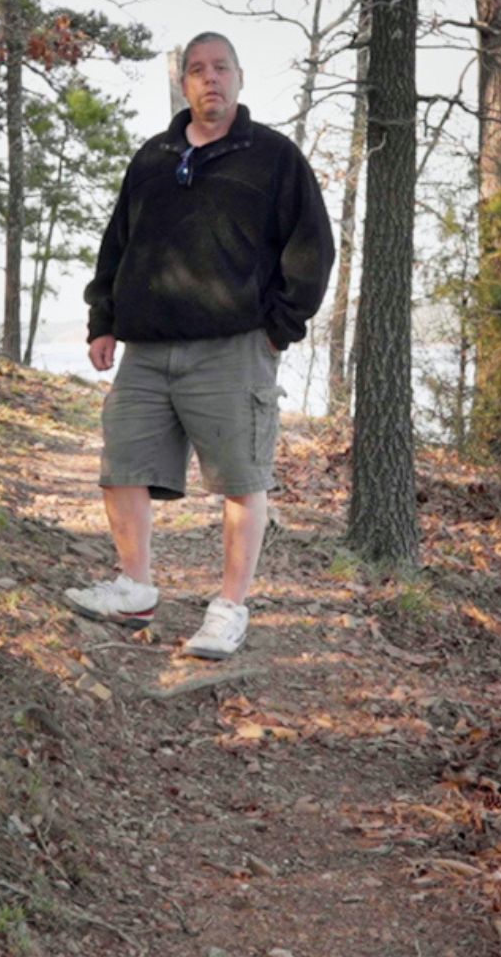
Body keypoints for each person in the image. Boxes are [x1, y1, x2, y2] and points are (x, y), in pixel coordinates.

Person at [67, 32, 336, 659]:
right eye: (197, 70)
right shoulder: (154, 157)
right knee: (123, 468)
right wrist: (102, 318)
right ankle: (135, 586)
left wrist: (279, 328)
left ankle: (229, 608)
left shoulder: (273, 158)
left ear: (239, 78)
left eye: (220, 68)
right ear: (183, 84)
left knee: (242, 481)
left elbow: (312, 249)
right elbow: (118, 242)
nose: (209, 78)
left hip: (233, 348)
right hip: (147, 351)